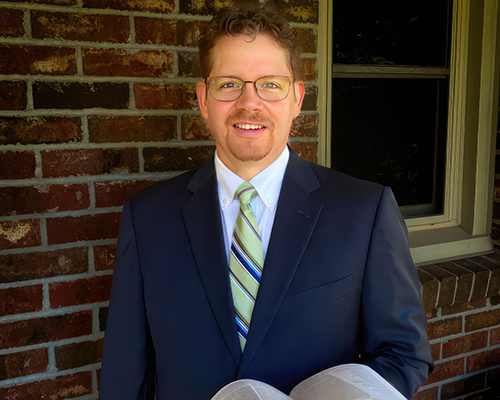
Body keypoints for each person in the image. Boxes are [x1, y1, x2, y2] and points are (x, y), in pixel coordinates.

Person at [99, 2, 434, 399]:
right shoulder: (147, 216)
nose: (249, 102)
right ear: (204, 100)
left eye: (270, 84)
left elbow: (403, 354)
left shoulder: (364, 210)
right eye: (229, 84)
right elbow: (125, 376)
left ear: (296, 98)